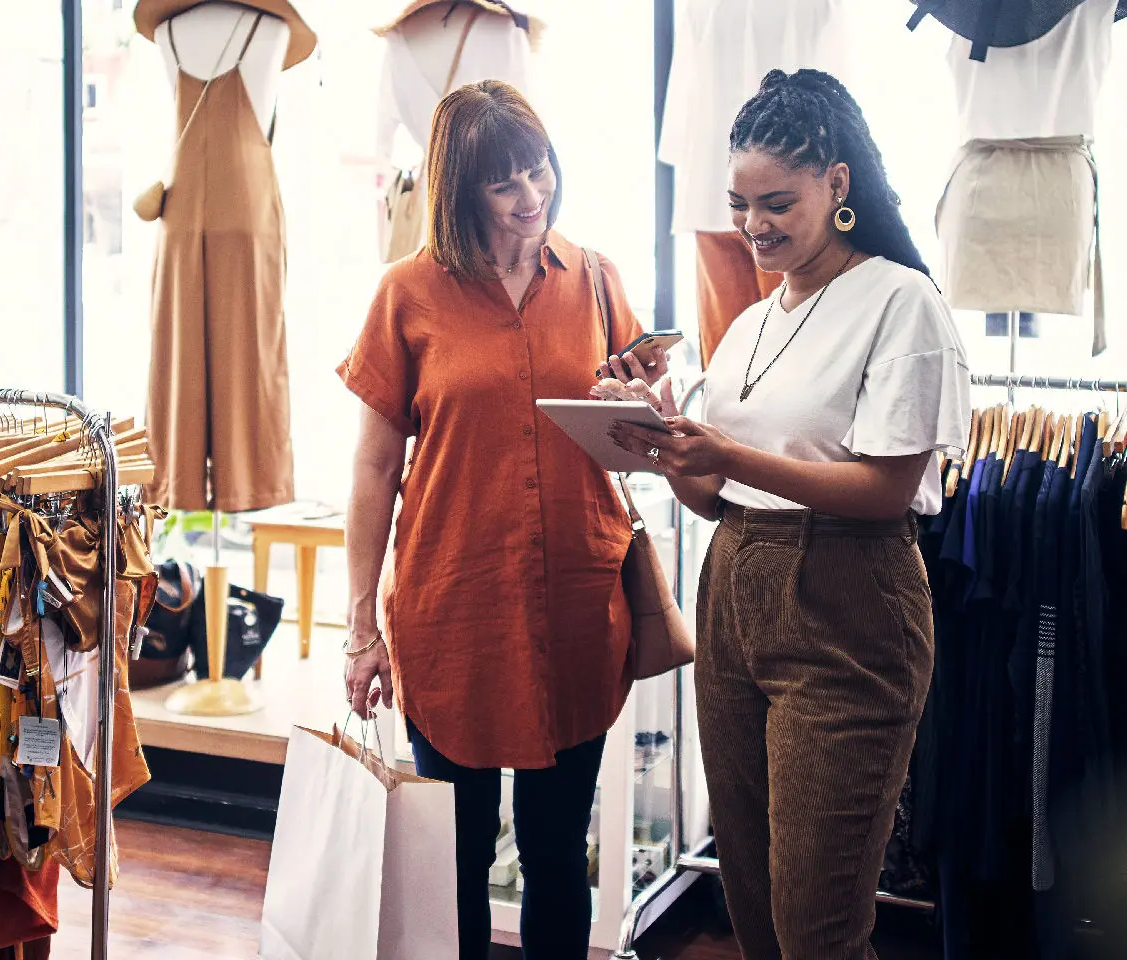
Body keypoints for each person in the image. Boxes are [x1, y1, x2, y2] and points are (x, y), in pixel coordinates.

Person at [606, 68, 970, 959]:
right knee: (757, 912)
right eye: (737, 204)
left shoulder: (899, 301)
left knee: (817, 925)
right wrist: (659, 435)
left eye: (776, 203)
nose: (753, 226)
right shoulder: (751, 325)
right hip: (733, 596)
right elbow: (712, 495)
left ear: (837, 185)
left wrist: (724, 452)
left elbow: (888, 490)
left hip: (848, 605)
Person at [337, 79, 667, 960]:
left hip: (576, 605)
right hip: (454, 609)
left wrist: (643, 409)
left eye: (540, 170)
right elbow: (374, 467)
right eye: (505, 184)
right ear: (459, 191)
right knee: (460, 857)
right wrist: (359, 625)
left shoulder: (596, 279)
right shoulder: (406, 295)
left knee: (560, 853)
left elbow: (637, 438)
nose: (533, 198)